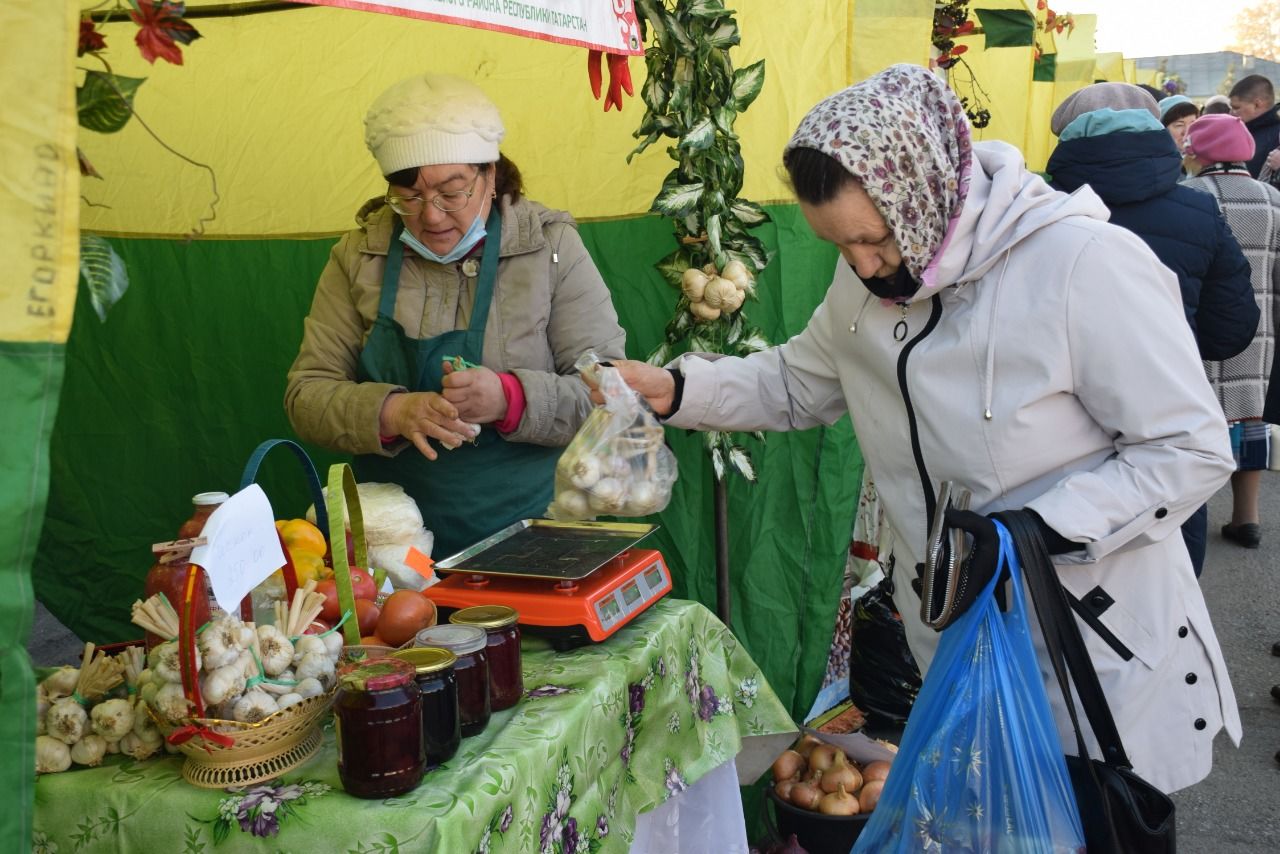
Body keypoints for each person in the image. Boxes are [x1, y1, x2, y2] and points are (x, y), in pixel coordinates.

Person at [599, 64, 1240, 794]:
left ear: (924, 191)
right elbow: (794, 383)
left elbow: (1188, 447)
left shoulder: (1081, 264)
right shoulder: (863, 281)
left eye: (875, 240)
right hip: (952, 639)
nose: (864, 267)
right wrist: (678, 387)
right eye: (840, 247)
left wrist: (1028, 532)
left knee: (1089, 824)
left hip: (1084, 641)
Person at [285, 73, 626, 557]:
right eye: (409, 196)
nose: (432, 215)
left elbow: (609, 393)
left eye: (452, 191)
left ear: (490, 176)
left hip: (538, 529)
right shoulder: (359, 256)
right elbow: (306, 395)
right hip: (391, 552)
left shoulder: (550, 249)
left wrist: (511, 399)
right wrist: (391, 410)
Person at [1045, 81, 1258, 576]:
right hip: (1170, 419)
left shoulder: (1041, 211)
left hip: (1061, 424)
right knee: (1171, 582)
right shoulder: (1199, 210)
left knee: (1071, 580)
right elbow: (1231, 330)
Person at [1185, 114, 1280, 548]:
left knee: (1194, 420)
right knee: (1249, 419)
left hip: (1199, 327)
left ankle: (1189, 510)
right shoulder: (1273, 201)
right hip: (1259, 331)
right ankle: (1247, 517)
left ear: (1199, 153)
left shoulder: (1189, 196)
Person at [1229, 74, 1280, 178]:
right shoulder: (1238, 131)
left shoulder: (1277, 136)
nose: (1231, 113)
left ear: (1257, 104)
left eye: (1236, 107)